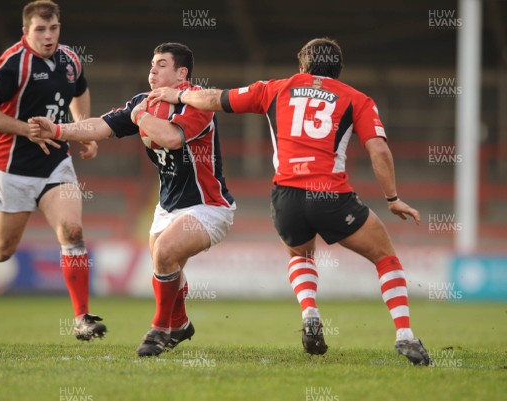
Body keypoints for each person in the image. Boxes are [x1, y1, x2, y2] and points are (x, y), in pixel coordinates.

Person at [149, 37, 431, 366]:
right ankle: (405, 335)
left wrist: (179, 94)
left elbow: (215, 98)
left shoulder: (275, 88)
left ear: (301, 66)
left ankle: (310, 312)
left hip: (286, 198)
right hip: (330, 195)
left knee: (300, 253)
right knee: (384, 257)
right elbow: (379, 150)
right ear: (339, 70)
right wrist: (392, 198)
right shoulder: (357, 99)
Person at [28, 42, 236, 357]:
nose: (152, 69)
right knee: (166, 264)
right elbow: (99, 125)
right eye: (152, 63)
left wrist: (139, 115)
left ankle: (158, 329)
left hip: (209, 206)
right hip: (167, 206)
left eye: (162, 64)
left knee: (164, 253)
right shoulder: (144, 102)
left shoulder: (197, 103)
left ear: (182, 74)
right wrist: (56, 130)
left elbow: (169, 137)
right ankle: (179, 324)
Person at [0, 0, 106, 342]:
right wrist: (22, 128)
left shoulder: (70, 59)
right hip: (10, 167)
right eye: (40, 30)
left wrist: (83, 128)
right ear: (26, 31)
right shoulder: (12, 64)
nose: (48, 36)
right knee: (1, 249)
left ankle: (82, 319)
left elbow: (80, 88)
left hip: (55, 161)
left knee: (72, 231)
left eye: (53, 28)